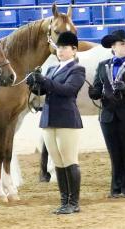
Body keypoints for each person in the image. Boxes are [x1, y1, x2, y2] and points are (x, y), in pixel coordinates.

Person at [26, 31, 86, 213]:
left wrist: (45, 81)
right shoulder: (52, 69)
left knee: (69, 160)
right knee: (58, 163)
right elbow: (44, 91)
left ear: (74, 50)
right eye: (59, 47)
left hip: (67, 118)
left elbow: (68, 90)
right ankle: (64, 201)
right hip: (49, 118)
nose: (60, 51)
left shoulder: (77, 70)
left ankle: (73, 202)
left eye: (64, 48)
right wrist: (34, 83)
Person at [87, 30, 125, 198]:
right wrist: (94, 92)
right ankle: (115, 188)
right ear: (113, 47)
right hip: (108, 114)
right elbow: (98, 87)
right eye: (122, 43)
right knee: (114, 153)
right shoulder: (102, 65)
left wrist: (124, 87)